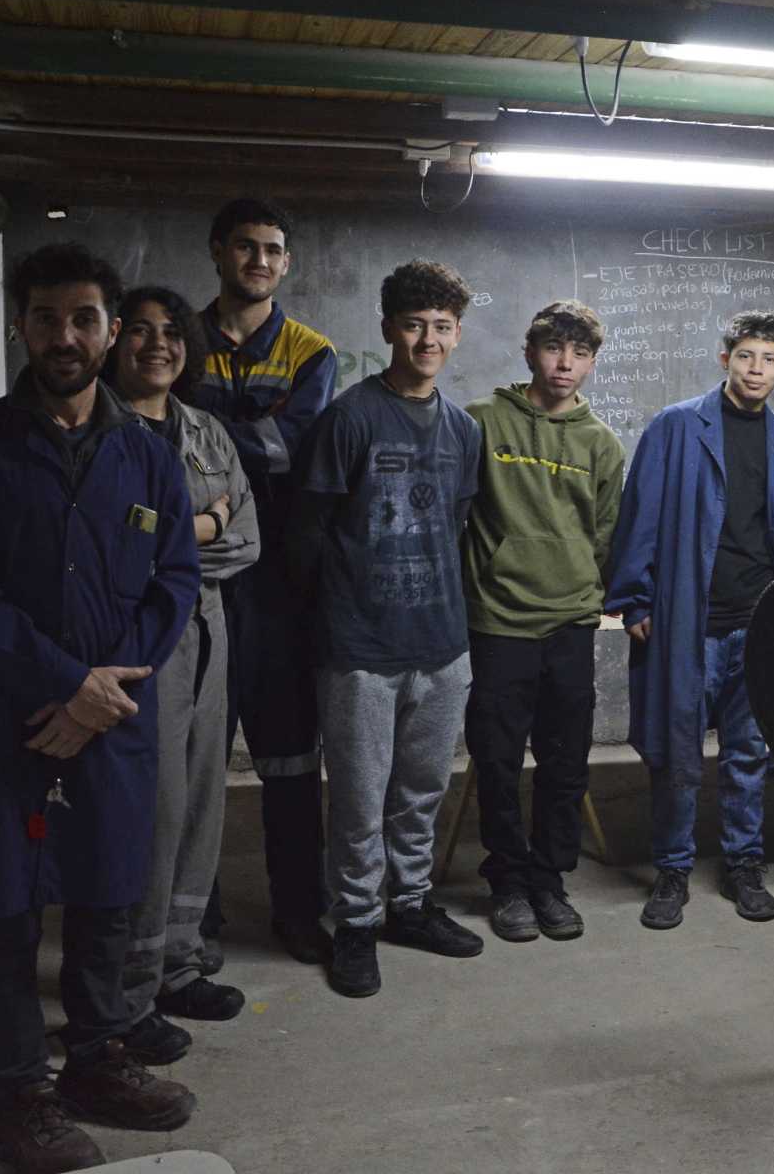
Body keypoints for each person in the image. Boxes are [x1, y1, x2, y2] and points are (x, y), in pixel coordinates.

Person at [0, 244, 200, 1172]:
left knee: (106, 892)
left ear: (112, 330)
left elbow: (174, 584)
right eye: (47, 318)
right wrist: (65, 686)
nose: (66, 337)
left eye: (84, 319)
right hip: (3, 722)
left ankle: (93, 1060)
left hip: (111, 720)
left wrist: (102, 695)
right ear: (21, 327)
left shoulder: (149, 452)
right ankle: (13, 1095)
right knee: (4, 908)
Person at [289, 261, 484, 996]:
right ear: (388, 330)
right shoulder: (350, 419)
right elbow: (307, 535)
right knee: (361, 795)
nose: (427, 340)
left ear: (457, 335)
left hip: (440, 643)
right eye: (413, 325)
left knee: (422, 789)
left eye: (441, 327)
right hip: (361, 649)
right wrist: (333, 629)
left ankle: (409, 905)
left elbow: (455, 523)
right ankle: (359, 923)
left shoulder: (462, 429)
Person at [606, 311, 774, 930]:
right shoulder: (677, 426)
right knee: (678, 751)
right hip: (689, 618)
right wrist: (634, 599)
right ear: (725, 360)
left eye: (768, 360)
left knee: (748, 751)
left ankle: (744, 864)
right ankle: (673, 868)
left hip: (761, 622)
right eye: (745, 356)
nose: (756, 369)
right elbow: (641, 515)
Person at [109, 287, 258, 1068]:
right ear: (112, 342)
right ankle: (128, 994)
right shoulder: (98, 431)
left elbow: (248, 541)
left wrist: (178, 539)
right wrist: (203, 523)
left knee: (203, 796)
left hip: (209, 632)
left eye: (171, 333)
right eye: (138, 331)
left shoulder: (206, 432)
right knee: (155, 809)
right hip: (139, 642)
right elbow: (110, 552)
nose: (157, 345)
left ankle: (179, 964)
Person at [188, 197, 337, 966]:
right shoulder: (175, 339)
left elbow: (289, 452)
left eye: (273, 250)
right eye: (244, 246)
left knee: (286, 760)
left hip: (279, 586)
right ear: (218, 252)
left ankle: (298, 911)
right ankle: (194, 922)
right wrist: (251, 440)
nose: (259, 260)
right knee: (196, 761)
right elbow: (153, 431)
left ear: (286, 263)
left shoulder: (311, 350)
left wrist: (204, 443)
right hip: (194, 580)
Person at [464, 300, 625, 943]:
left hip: (569, 623)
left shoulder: (601, 443)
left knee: (566, 761)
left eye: (580, 352)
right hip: (498, 621)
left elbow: (606, 535)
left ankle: (550, 879)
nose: (566, 363)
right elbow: (458, 518)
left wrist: (592, 601)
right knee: (498, 760)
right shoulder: (480, 422)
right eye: (554, 348)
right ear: (531, 352)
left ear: (591, 362)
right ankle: (507, 881)